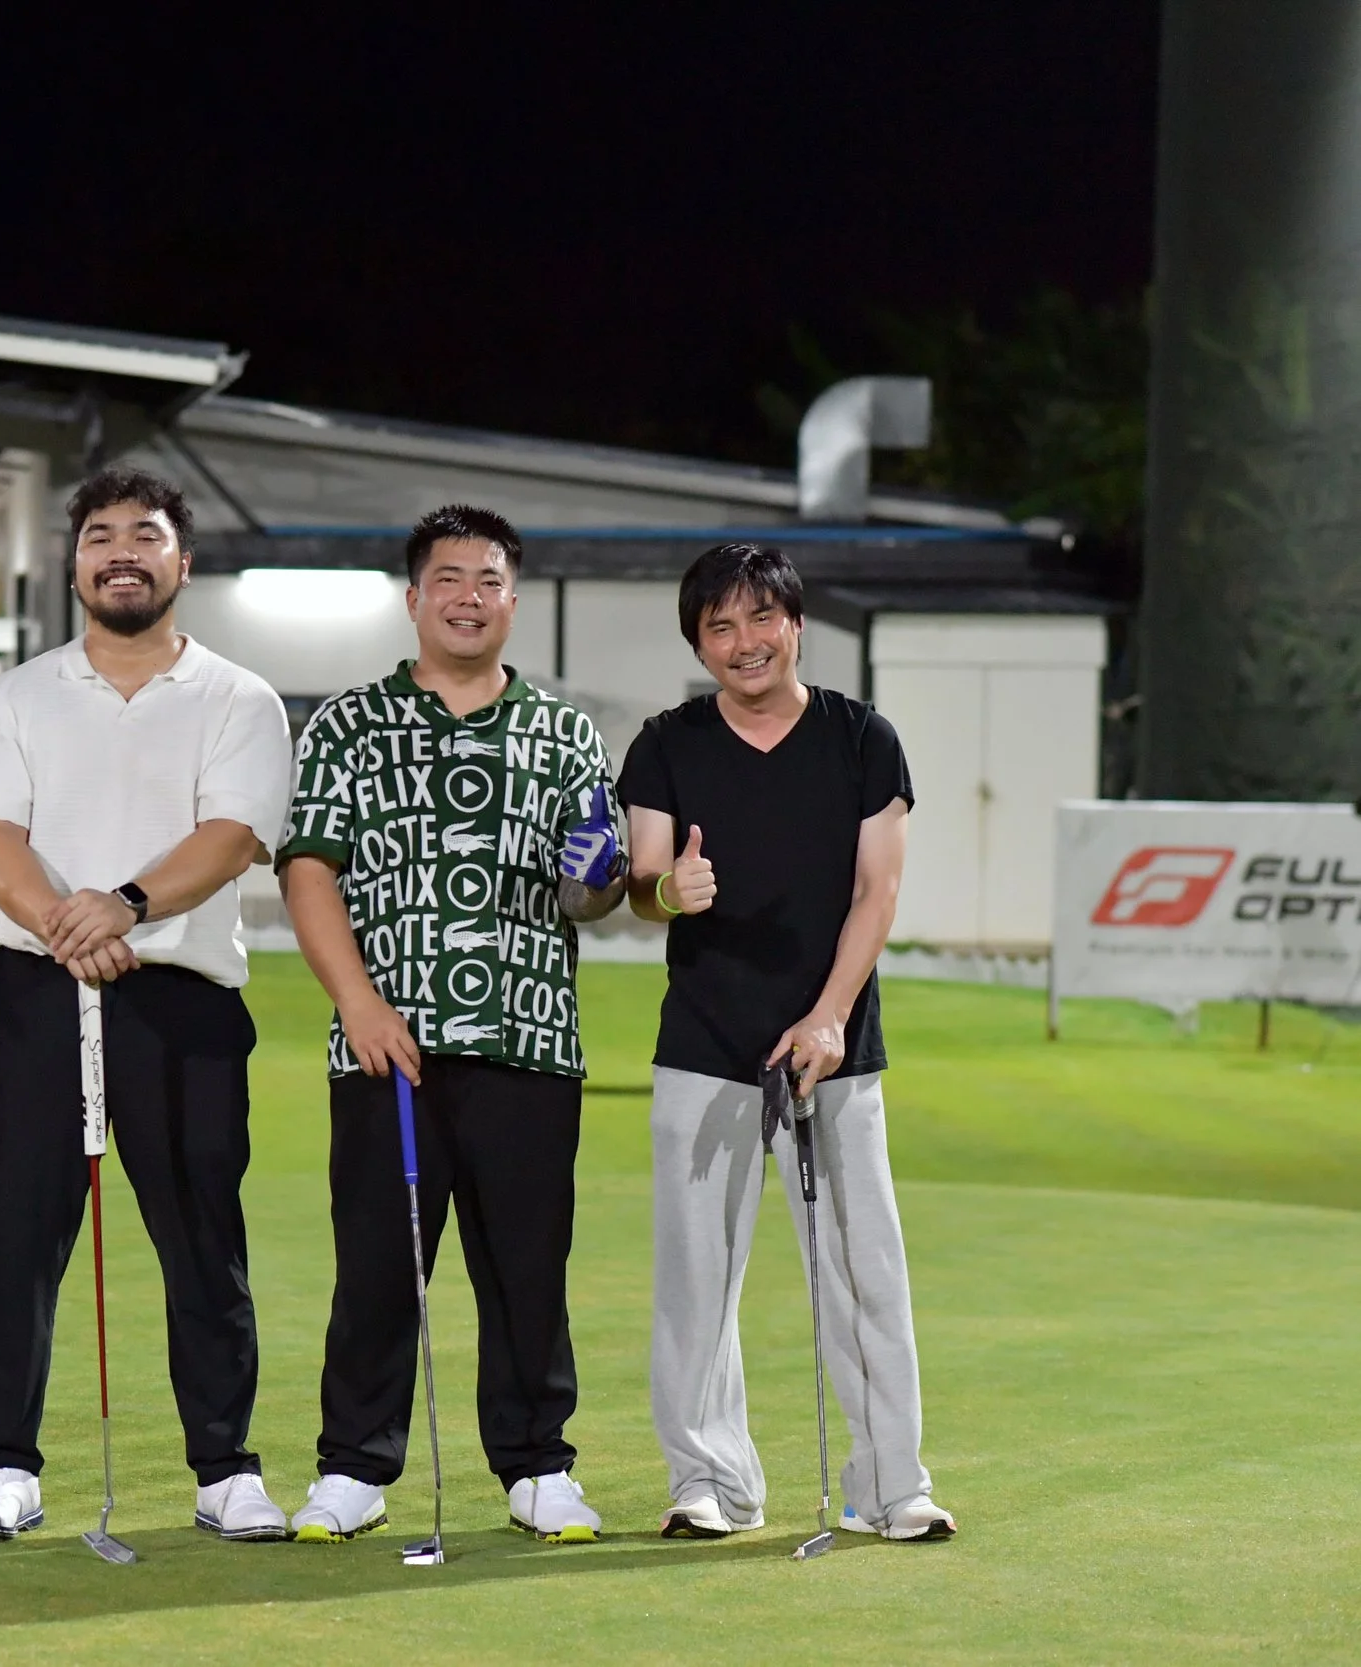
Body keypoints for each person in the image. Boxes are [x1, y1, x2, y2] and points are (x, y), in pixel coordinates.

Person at [0, 467, 296, 1543]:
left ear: (181, 563)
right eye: (100, 536)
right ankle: (3, 1464)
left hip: (178, 1003)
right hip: (34, 997)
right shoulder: (14, 693)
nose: (121, 552)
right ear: (75, 566)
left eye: (145, 535)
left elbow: (231, 834)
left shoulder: (240, 696)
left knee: (200, 1237)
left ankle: (223, 1467)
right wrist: (68, 918)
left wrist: (125, 904)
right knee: (15, 1237)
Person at [276, 504, 627, 1546]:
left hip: (527, 1035)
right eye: (448, 579)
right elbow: (308, 869)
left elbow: (590, 892)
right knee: (379, 1264)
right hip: (388, 1042)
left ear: (512, 599)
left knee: (528, 1265)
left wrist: (599, 884)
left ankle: (536, 1465)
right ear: (413, 596)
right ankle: (353, 1467)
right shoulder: (348, 722)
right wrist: (356, 999)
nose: (468, 597)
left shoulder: (562, 729)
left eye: (488, 580)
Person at [619, 541, 956, 1544]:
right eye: (718, 626)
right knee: (695, 1279)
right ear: (698, 642)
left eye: (759, 619)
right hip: (703, 1042)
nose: (743, 641)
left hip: (832, 1049)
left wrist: (828, 1013)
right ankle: (711, 1480)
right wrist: (665, 891)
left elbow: (876, 890)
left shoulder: (861, 738)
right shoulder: (665, 742)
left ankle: (888, 1485)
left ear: (794, 624)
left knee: (862, 1270)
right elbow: (642, 878)